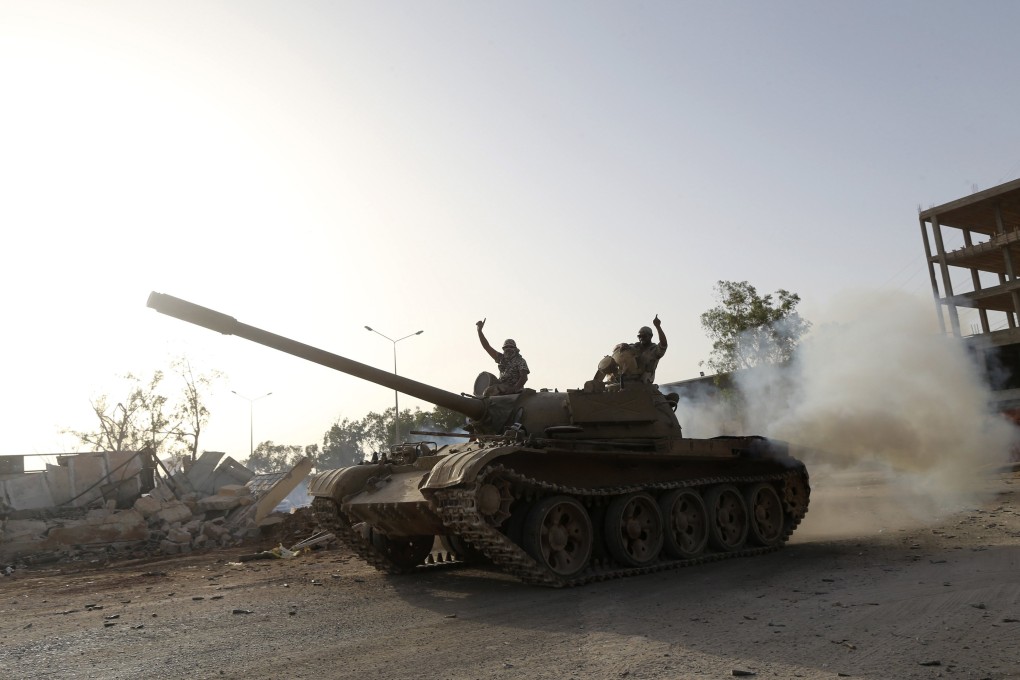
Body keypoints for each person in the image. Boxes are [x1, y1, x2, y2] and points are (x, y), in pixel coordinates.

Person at [476, 319, 530, 396]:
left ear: (515, 349)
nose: (508, 349)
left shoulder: (520, 361)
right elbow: (486, 346)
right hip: (501, 387)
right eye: (506, 347)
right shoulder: (501, 359)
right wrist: (479, 331)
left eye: (511, 347)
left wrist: (514, 389)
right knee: (487, 391)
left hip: (514, 389)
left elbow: (524, 377)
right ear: (503, 349)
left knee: (491, 391)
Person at [623, 315, 667, 384]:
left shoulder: (654, 350)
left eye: (644, 336)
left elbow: (663, 344)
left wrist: (658, 327)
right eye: (639, 336)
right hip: (629, 383)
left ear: (650, 336)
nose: (641, 338)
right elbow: (622, 349)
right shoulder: (635, 347)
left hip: (645, 384)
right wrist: (621, 345)